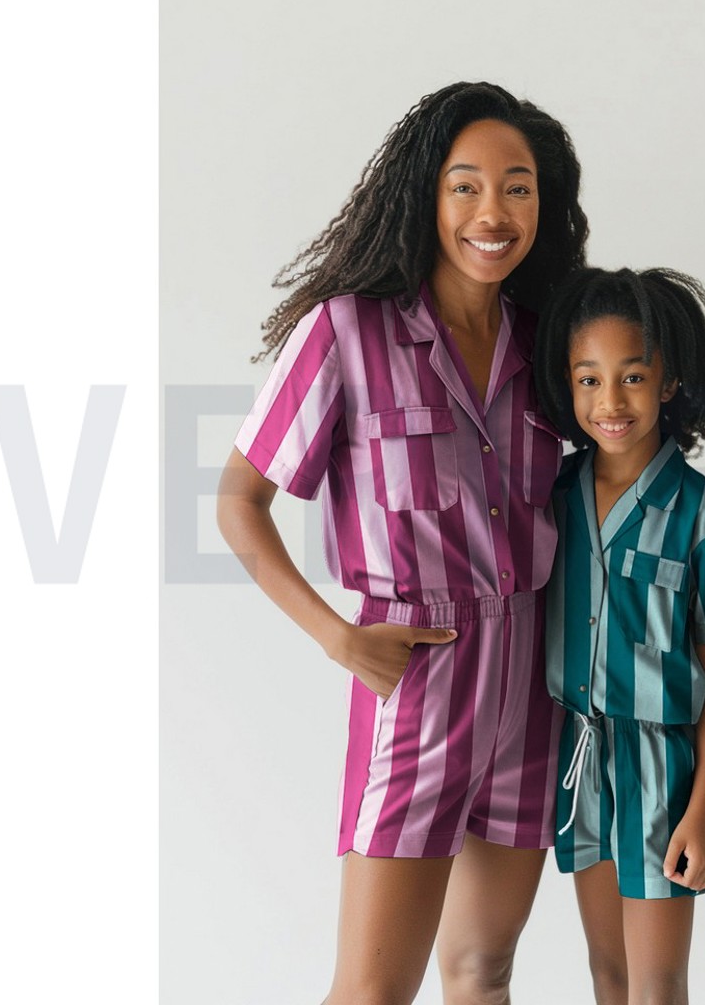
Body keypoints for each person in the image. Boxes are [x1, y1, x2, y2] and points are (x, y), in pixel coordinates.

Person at [216, 81, 588, 1005]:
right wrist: (338, 638)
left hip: (533, 683)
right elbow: (239, 501)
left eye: (518, 187)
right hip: (420, 681)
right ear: (427, 194)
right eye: (466, 186)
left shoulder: (547, 344)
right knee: (374, 992)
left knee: (483, 972)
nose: (493, 213)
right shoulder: (348, 330)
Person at [533, 267, 705, 1005]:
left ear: (669, 383)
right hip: (578, 766)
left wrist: (702, 812)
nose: (610, 402)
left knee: (657, 984)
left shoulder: (704, 518)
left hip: (661, 778)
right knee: (608, 974)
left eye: (632, 378)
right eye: (590, 380)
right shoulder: (552, 495)